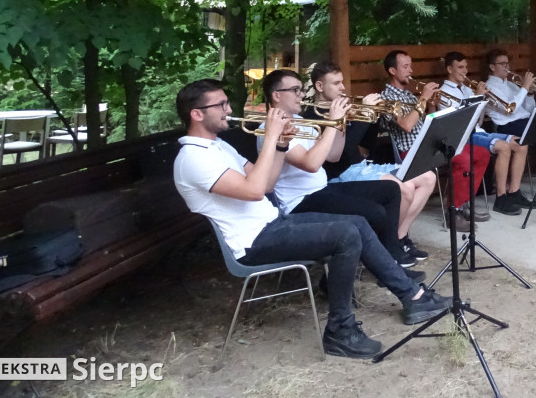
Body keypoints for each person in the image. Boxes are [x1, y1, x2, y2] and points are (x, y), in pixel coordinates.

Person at [172, 79, 450, 359]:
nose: (229, 109)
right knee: (346, 235)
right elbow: (255, 190)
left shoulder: (219, 147)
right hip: (252, 242)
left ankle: (413, 297)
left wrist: (279, 145)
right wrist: (270, 138)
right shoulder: (193, 158)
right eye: (220, 105)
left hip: (273, 224)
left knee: (357, 222)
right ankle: (340, 330)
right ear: (197, 113)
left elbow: (266, 183)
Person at [257, 69, 416, 272]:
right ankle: (385, 265)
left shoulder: (301, 121)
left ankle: (392, 253)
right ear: (276, 95)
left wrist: (340, 122)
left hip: (321, 189)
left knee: (391, 190)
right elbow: (311, 164)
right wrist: (333, 122)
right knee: (374, 212)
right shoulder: (269, 129)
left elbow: (333, 155)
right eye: (295, 90)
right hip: (300, 200)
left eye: (300, 90)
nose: (302, 95)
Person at [304, 62, 435, 265]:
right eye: (336, 83)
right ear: (320, 87)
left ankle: (399, 239)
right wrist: (365, 117)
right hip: (340, 174)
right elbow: (341, 153)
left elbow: (365, 145)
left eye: (342, 82)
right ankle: (389, 247)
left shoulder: (343, 107)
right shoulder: (312, 116)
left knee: (428, 177)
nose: (343, 88)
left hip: (361, 166)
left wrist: (375, 116)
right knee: (404, 189)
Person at [378, 50, 489, 231]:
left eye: (411, 65)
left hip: (429, 144)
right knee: (463, 160)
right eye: (405, 66)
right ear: (392, 70)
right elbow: (406, 125)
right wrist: (423, 98)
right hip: (411, 150)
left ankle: (464, 204)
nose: (410, 70)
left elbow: (426, 121)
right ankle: (454, 212)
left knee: (481, 154)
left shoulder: (407, 94)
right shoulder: (386, 98)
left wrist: (430, 104)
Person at [440, 51, 531, 216]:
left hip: (478, 131)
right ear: (449, 69)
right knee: (503, 147)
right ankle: (500, 198)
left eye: (466, 67)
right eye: (460, 67)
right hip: (464, 136)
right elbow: (460, 122)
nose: (464, 71)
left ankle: (514, 192)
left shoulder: (467, 89)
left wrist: (482, 100)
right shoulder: (445, 92)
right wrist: (478, 98)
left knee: (520, 144)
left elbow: (479, 121)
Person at [483, 48, 536, 215]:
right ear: (492, 67)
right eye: (502, 64)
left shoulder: (509, 84)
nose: (506, 67)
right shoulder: (490, 86)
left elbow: (528, 108)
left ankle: (516, 191)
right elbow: (510, 110)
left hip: (522, 121)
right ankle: (510, 193)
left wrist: (528, 93)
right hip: (506, 125)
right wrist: (524, 88)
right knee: (525, 142)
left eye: (507, 63)